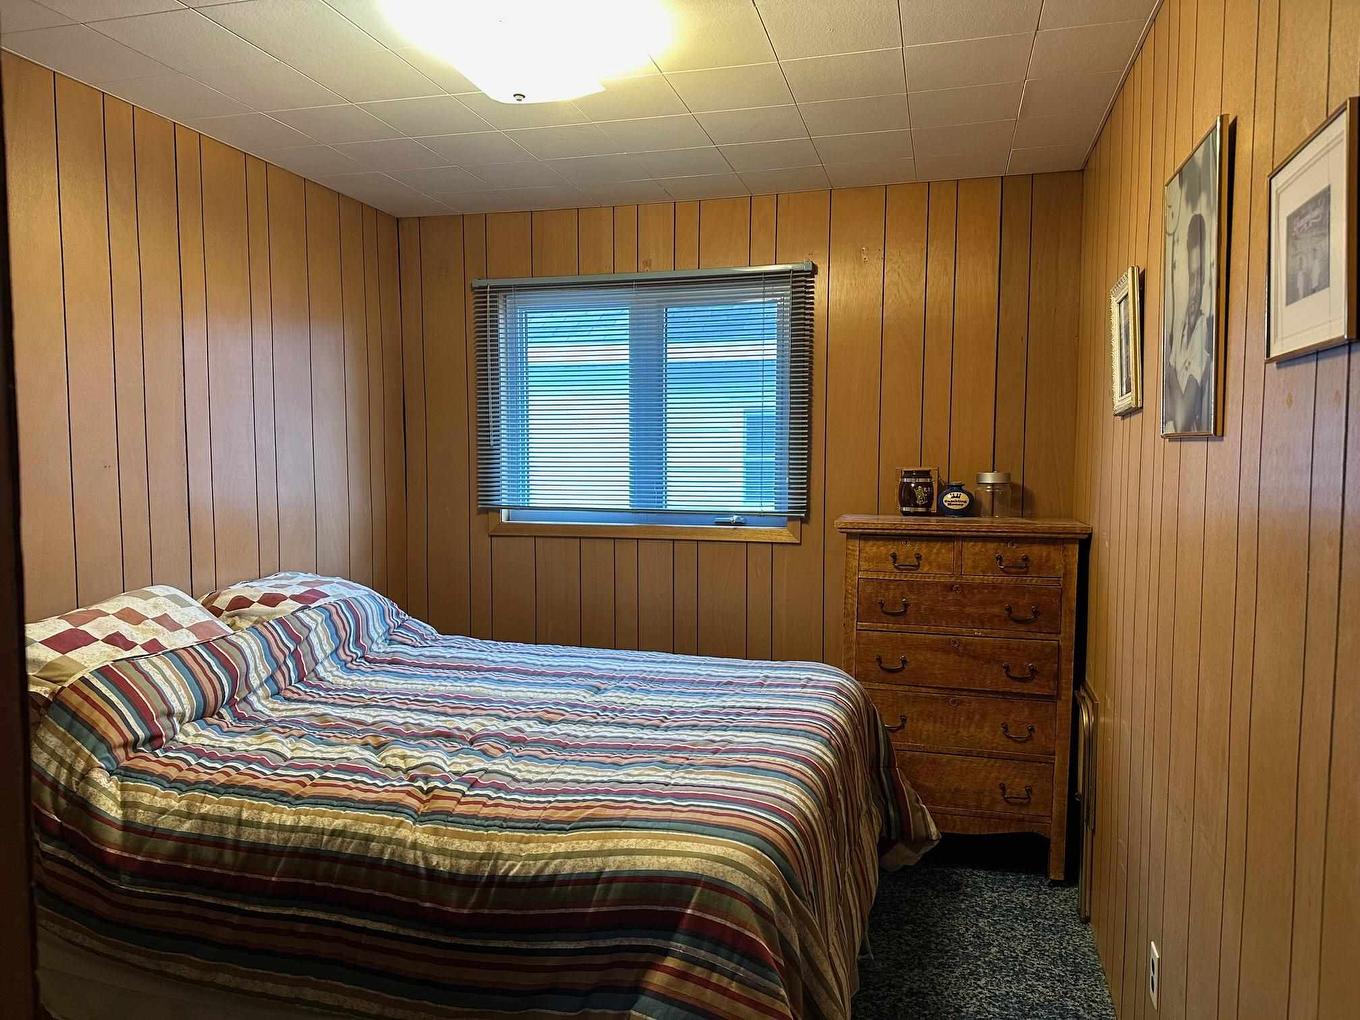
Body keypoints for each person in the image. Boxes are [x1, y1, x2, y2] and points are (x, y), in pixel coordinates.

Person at [1164, 212, 1212, 433]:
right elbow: (1167, 410)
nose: (1194, 291)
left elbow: (1182, 419)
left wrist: (1170, 369)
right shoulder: (1181, 328)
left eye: (1199, 279)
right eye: (1192, 277)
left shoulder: (1203, 331)